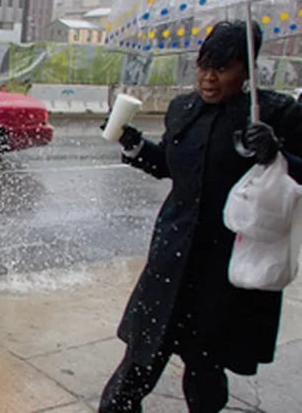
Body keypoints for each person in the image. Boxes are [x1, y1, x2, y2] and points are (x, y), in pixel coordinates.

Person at [99, 20, 302, 413]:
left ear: (246, 68)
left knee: (204, 368)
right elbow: (171, 167)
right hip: (171, 258)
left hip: (223, 267)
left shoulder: (275, 113)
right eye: (204, 66)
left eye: (222, 68)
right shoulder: (183, 109)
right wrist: (134, 145)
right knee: (136, 366)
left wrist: (276, 154)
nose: (209, 78)